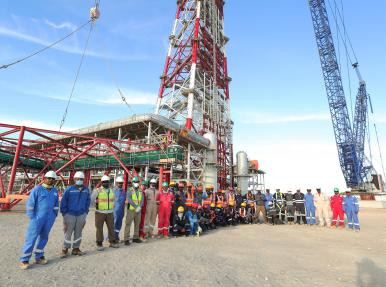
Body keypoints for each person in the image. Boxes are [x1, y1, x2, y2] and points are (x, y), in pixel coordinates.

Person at [19, 171, 59, 270]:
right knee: (31, 238)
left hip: (49, 218)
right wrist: (32, 217)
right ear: (44, 178)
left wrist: (54, 215)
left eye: (53, 179)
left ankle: (39, 256)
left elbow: (56, 205)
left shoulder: (55, 191)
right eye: (49, 178)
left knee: (44, 237)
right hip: (37, 218)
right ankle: (25, 259)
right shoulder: (37, 190)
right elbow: (30, 204)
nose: (51, 180)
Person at [60, 171, 90, 258]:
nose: (79, 180)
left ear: (83, 180)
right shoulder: (69, 189)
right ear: (74, 179)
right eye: (78, 179)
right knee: (68, 232)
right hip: (70, 214)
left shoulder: (86, 190)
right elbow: (63, 202)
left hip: (81, 214)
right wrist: (65, 214)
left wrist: (85, 212)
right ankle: (65, 249)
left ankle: (76, 249)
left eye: (81, 179)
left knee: (78, 232)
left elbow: (88, 202)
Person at [92, 175, 119, 251]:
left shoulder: (111, 190)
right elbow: (91, 199)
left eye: (107, 182)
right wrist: (95, 204)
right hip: (100, 212)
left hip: (110, 212)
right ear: (102, 182)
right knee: (99, 228)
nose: (106, 183)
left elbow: (113, 200)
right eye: (104, 182)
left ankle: (112, 241)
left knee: (111, 227)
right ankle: (99, 243)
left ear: (109, 182)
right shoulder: (97, 190)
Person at [123, 176, 144, 245]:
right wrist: (136, 207)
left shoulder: (141, 191)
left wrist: (140, 207)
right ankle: (126, 239)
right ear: (132, 183)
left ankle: (135, 237)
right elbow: (129, 199)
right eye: (135, 182)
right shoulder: (129, 190)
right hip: (131, 210)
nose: (136, 183)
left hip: (138, 210)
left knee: (137, 224)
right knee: (128, 224)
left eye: (137, 182)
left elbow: (142, 200)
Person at [113, 176, 126, 241]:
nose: (120, 184)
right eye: (119, 183)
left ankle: (116, 236)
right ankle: (111, 237)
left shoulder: (124, 191)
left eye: (121, 183)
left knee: (119, 224)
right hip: (115, 210)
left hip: (121, 210)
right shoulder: (113, 191)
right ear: (116, 183)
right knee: (114, 223)